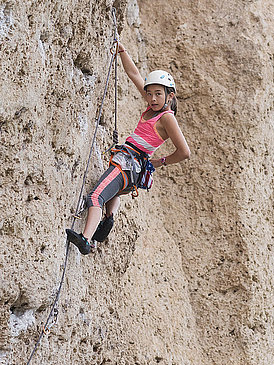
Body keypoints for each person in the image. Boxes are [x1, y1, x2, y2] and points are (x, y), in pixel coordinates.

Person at [66, 43, 190, 254]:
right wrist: (123, 51)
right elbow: (134, 74)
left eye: (158, 94)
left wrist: (160, 162)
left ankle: (86, 240)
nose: (152, 98)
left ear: (170, 96)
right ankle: (108, 218)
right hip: (130, 165)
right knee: (110, 192)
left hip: (129, 163)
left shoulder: (167, 117)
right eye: (149, 93)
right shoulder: (153, 107)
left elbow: (184, 151)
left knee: (95, 197)